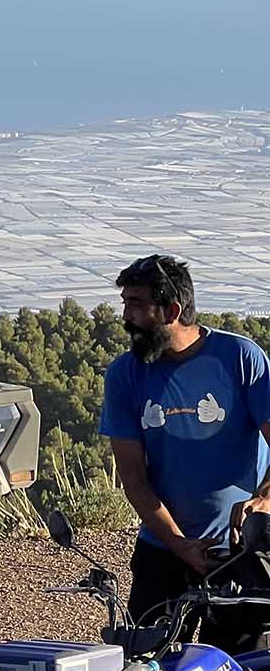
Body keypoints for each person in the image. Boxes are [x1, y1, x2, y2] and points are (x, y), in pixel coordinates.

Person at [100, 254, 270, 625]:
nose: (126, 316)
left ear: (172, 310)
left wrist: (263, 501)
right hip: (162, 550)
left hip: (240, 550)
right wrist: (178, 543)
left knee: (241, 660)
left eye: (136, 305)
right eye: (125, 303)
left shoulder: (242, 358)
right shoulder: (124, 375)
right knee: (146, 658)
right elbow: (133, 477)